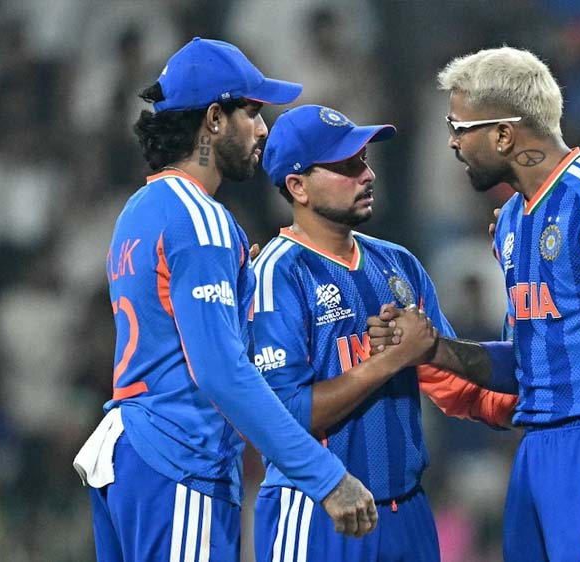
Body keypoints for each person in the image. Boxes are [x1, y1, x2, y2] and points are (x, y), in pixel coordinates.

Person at [370, 47, 580, 562]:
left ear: (504, 135)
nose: (452, 142)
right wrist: (431, 349)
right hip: (537, 450)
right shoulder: (511, 221)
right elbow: (529, 365)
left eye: (459, 127)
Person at [72, 38, 377, 562]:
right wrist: (325, 475)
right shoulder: (202, 221)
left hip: (129, 456)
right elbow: (221, 371)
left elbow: (169, 339)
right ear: (214, 120)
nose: (263, 130)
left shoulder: (139, 210)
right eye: (252, 112)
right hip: (180, 455)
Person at [253, 104, 517, 562]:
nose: (367, 175)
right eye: (346, 166)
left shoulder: (398, 264)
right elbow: (284, 415)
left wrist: (533, 399)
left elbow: (456, 387)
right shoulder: (277, 273)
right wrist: (390, 360)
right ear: (297, 186)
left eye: (364, 160)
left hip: (408, 512)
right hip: (319, 511)